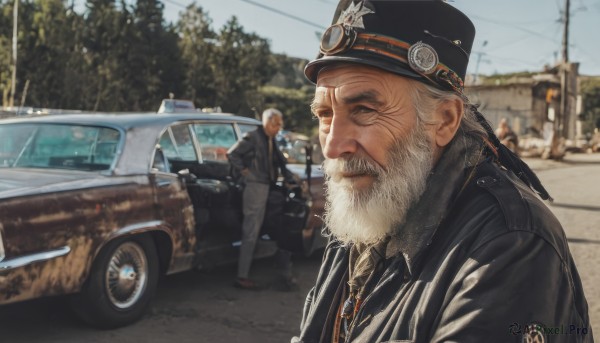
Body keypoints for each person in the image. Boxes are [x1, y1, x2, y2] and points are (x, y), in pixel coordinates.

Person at [293, 1, 593, 342]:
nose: (333, 147)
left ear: (445, 120)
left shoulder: (510, 243)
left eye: (363, 110)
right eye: (325, 115)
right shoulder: (367, 208)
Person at [227, 108, 296, 290]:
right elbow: (232, 154)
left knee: (261, 229)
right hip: (255, 187)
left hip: (266, 186)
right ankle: (242, 276)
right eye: (276, 124)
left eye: (280, 124)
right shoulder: (253, 137)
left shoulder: (270, 140)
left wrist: (291, 179)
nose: (279, 128)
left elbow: (280, 162)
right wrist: (246, 173)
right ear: (267, 122)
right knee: (250, 231)